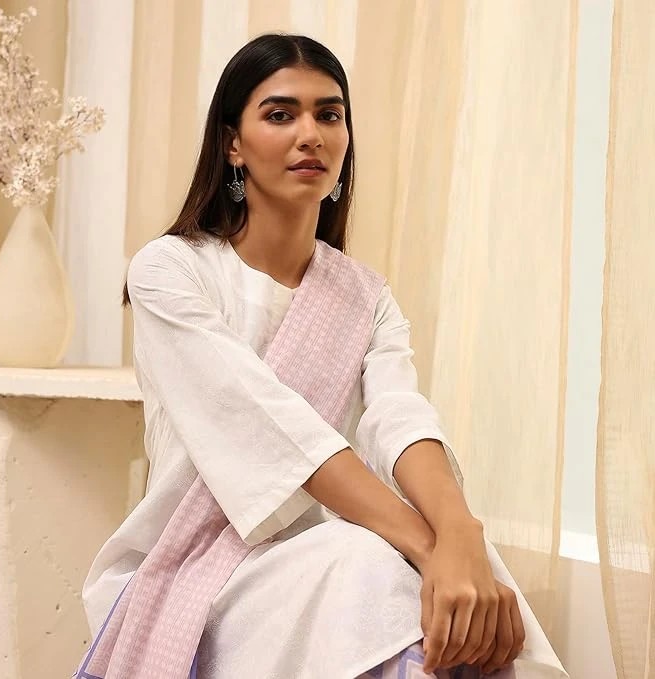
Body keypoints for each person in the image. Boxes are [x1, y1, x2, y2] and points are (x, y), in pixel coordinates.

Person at [75, 34, 567, 679]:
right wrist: (426, 545)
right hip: (205, 559)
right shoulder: (171, 270)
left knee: (460, 587)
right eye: (280, 114)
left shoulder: (366, 297)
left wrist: (461, 535)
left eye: (329, 114)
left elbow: (398, 416)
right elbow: (269, 423)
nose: (310, 134)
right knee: (370, 566)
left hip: (337, 541)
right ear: (232, 143)